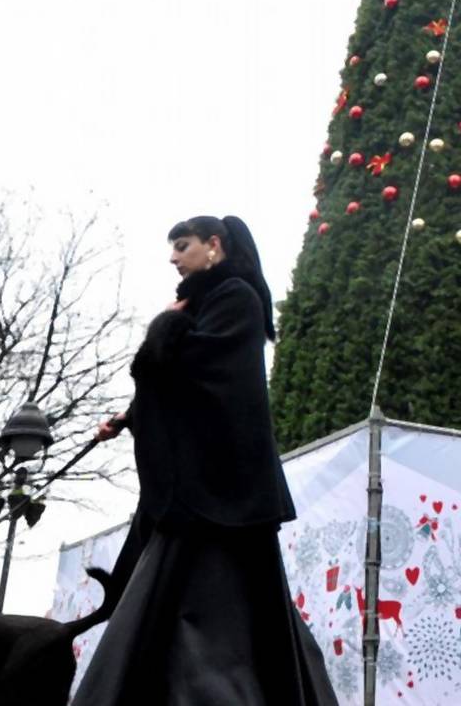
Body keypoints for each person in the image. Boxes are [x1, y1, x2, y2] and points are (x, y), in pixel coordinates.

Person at [75, 216, 334, 706]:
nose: (174, 258)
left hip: (220, 490)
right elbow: (178, 380)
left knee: (213, 606)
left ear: (214, 245)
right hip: (207, 491)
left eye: (182, 245)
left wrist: (167, 328)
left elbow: (200, 373)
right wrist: (132, 417)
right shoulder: (211, 301)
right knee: (192, 602)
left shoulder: (236, 297)